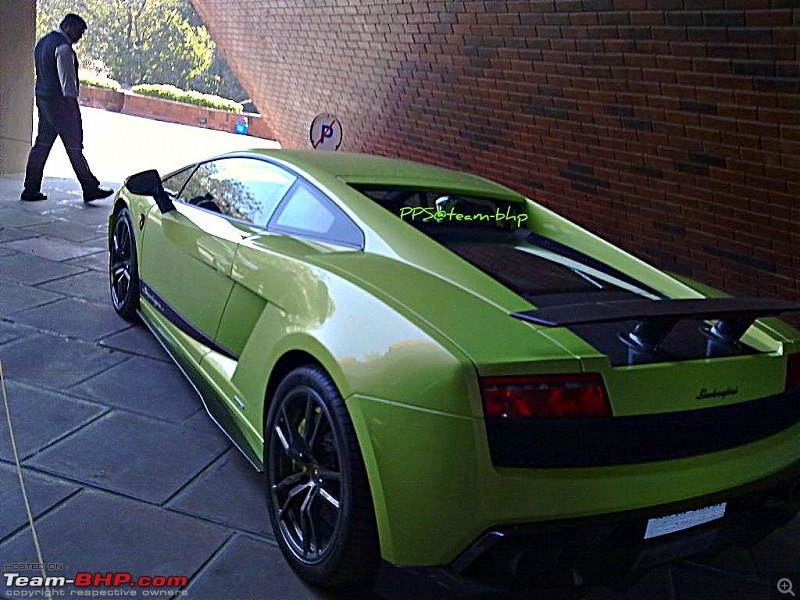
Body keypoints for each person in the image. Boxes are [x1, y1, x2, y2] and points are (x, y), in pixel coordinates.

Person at [21, 13, 113, 203]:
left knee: (41, 145)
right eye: (79, 32)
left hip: (44, 99)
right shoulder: (63, 49)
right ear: (69, 27)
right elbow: (68, 85)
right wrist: (73, 109)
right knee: (74, 147)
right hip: (61, 105)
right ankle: (90, 187)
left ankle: (30, 188)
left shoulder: (42, 43)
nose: (79, 37)